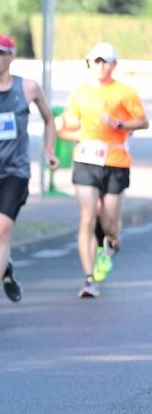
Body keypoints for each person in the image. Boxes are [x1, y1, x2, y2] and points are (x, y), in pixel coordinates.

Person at [0, 35, 60, 323]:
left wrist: (49, 150)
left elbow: (49, 119)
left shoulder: (28, 87)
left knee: (1, 233)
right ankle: (5, 270)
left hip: (15, 172)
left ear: (11, 57)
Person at [58, 42, 148, 298]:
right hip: (86, 158)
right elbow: (67, 125)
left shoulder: (125, 92)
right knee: (87, 216)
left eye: (105, 61)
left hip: (116, 160)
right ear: (89, 64)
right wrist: (69, 130)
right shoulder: (79, 93)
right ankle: (89, 279)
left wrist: (119, 122)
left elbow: (143, 121)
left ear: (114, 65)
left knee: (109, 220)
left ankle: (110, 241)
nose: (100, 65)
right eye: (96, 61)